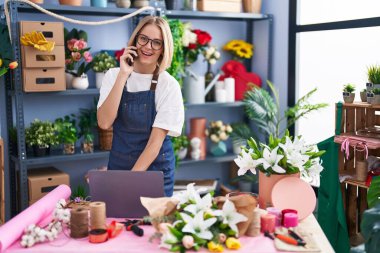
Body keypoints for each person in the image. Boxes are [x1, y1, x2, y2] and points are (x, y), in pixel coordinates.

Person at [97, 16, 184, 197]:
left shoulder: (168, 85)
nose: (147, 47)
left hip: (155, 169)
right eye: (143, 39)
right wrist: (123, 75)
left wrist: (130, 182)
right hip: (119, 165)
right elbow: (104, 123)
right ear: (135, 40)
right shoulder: (113, 76)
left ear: (163, 49)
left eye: (156, 43)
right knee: (116, 222)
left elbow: (154, 144)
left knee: (153, 224)